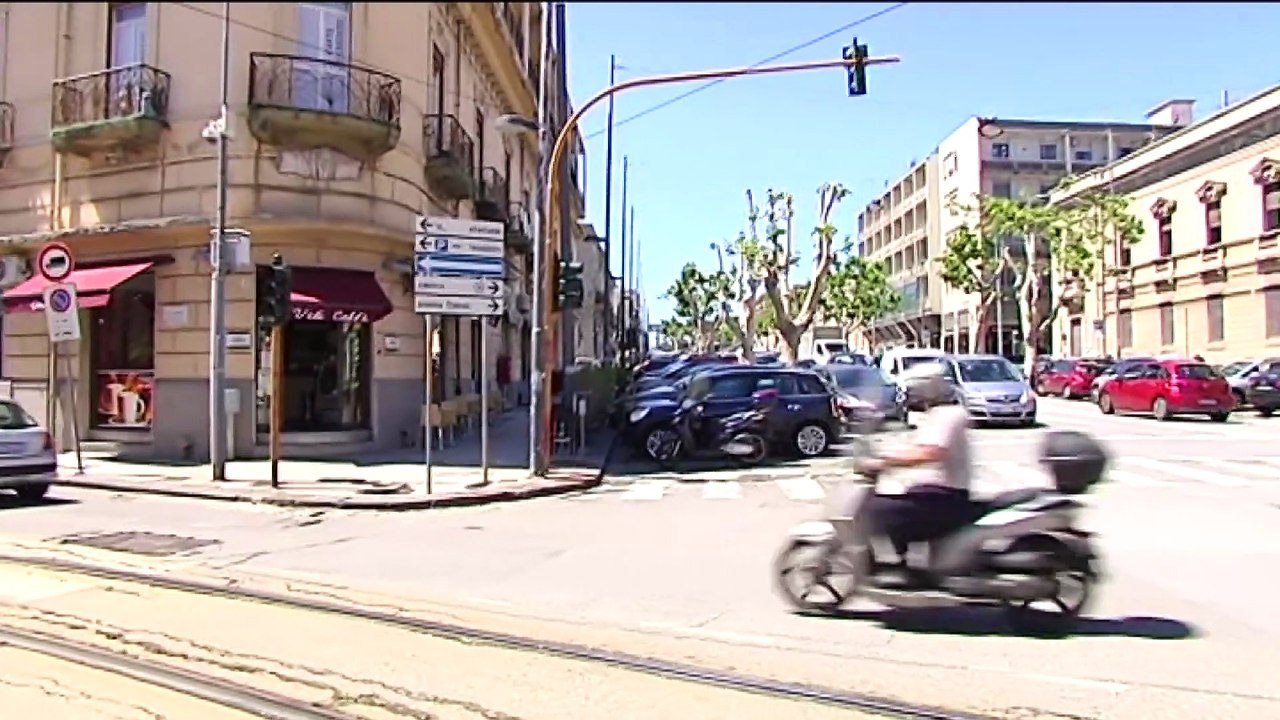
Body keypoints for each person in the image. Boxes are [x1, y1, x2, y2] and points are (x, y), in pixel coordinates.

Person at [856, 361, 974, 588]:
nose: (913, 396)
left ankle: (901, 570)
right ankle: (907, 565)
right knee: (894, 501)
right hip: (937, 492)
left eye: (915, 390)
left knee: (878, 510)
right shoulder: (938, 414)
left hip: (947, 497)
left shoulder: (948, 415)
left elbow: (931, 452)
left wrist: (885, 462)